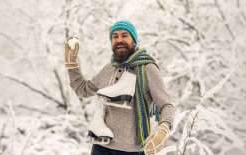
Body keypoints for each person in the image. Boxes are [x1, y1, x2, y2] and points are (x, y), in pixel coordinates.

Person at [64, 20, 175, 155]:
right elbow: (83, 90)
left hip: (133, 150)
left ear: (134, 40)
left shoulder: (147, 68)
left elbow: (166, 105)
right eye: (115, 36)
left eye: (124, 35)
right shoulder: (109, 68)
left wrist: (163, 129)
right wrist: (72, 65)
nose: (119, 40)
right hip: (102, 146)